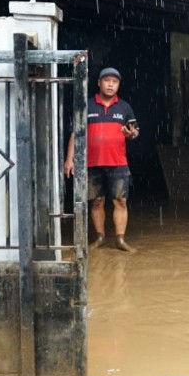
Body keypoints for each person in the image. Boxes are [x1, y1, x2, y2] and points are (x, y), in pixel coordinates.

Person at [64, 67, 139, 252]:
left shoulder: (125, 107)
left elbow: (135, 131)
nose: (111, 85)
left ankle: (120, 240)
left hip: (118, 163)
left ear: (119, 85)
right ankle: (100, 237)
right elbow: (76, 133)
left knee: (120, 201)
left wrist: (131, 134)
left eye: (115, 81)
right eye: (107, 81)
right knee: (97, 201)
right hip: (92, 163)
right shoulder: (87, 105)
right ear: (99, 83)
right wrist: (69, 159)